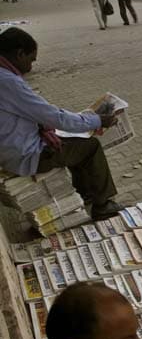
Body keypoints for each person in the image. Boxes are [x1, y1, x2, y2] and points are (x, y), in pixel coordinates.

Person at [0, 27, 123, 220]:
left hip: (13, 146)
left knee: (75, 145)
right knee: (90, 147)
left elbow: (40, 113)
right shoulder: (7, 81)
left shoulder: (5, 76)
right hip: (23, 154)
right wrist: (97, 119)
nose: (31, 67)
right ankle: (102, 205)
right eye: (30, 60)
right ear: (19, 53)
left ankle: (88, 197)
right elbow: (52, 116)